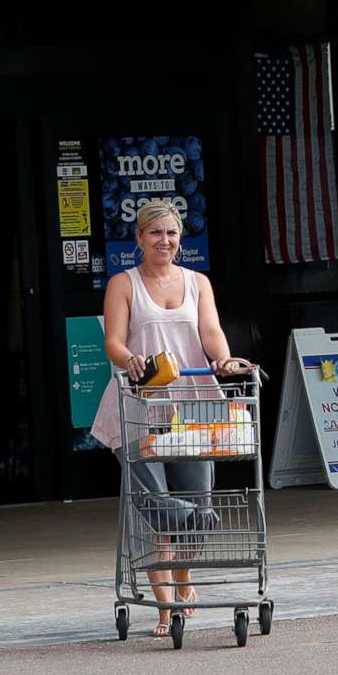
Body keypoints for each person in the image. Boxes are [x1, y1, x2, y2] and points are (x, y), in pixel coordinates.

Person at [90, 200, 250, 631]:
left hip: (192, 402)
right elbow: (113, 342)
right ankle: (166, 606)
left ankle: (184, 580)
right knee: (152, 503)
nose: (165, 240)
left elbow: (212, 333)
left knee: (199, 499)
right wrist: (131, 360)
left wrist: (226, 360)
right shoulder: (124, 284)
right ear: (139, 238)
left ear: (181, 239)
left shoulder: (198, 283)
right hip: (142, 403)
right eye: (155, 233)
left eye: (172, 233)